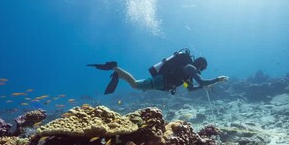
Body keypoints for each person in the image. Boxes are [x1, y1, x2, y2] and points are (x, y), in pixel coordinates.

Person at [87, 49, 228, 95]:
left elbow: (189, 88)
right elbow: (202, 81)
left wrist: (202, 86)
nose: (202, 71)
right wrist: (217, 79)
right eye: (202, 68)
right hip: (161, 81)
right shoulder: (190, 68)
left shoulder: (187, 75)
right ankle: (115, 68)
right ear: (200, 64)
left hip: (163, 84)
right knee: (135, 85)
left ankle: (118, 72)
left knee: (136, 85)